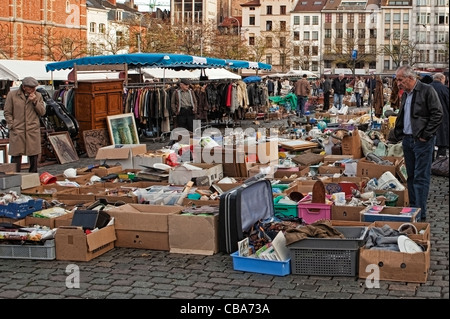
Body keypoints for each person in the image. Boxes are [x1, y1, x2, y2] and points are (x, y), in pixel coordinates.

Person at [393, 65, 443, 222]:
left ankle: (420, 212)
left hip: (422, 141)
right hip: (408, 139)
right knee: (411, 176)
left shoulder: (427, 90)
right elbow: (404, 116)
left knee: (421, 177)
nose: (398, 83)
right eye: (396, 80)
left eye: (400, 79)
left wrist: (425, 135)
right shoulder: (406, 95)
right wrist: (397, 134)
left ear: (410, 78)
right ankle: (413, 209)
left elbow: (438, 113)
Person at [4, 77, 46, 173]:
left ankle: (33, 177)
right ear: (24, 87)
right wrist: (12, 124)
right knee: (16, 156)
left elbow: (42, 112)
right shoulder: (12, 95)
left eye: (34, 87)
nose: (33, 90)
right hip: (18, 129)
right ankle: (15, 177)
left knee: (33, 155)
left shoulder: (38, 96)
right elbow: (7, 112)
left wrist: (35, 101)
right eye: (30, 88)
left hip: (32, 129)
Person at [429, 73, 449, 159]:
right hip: (443, 118)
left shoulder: (426, 88)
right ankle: (439, 163)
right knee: (442, 143)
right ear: (441, 79)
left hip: (428, 119)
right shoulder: (444, 89)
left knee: (429, 144)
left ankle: (431, 162)